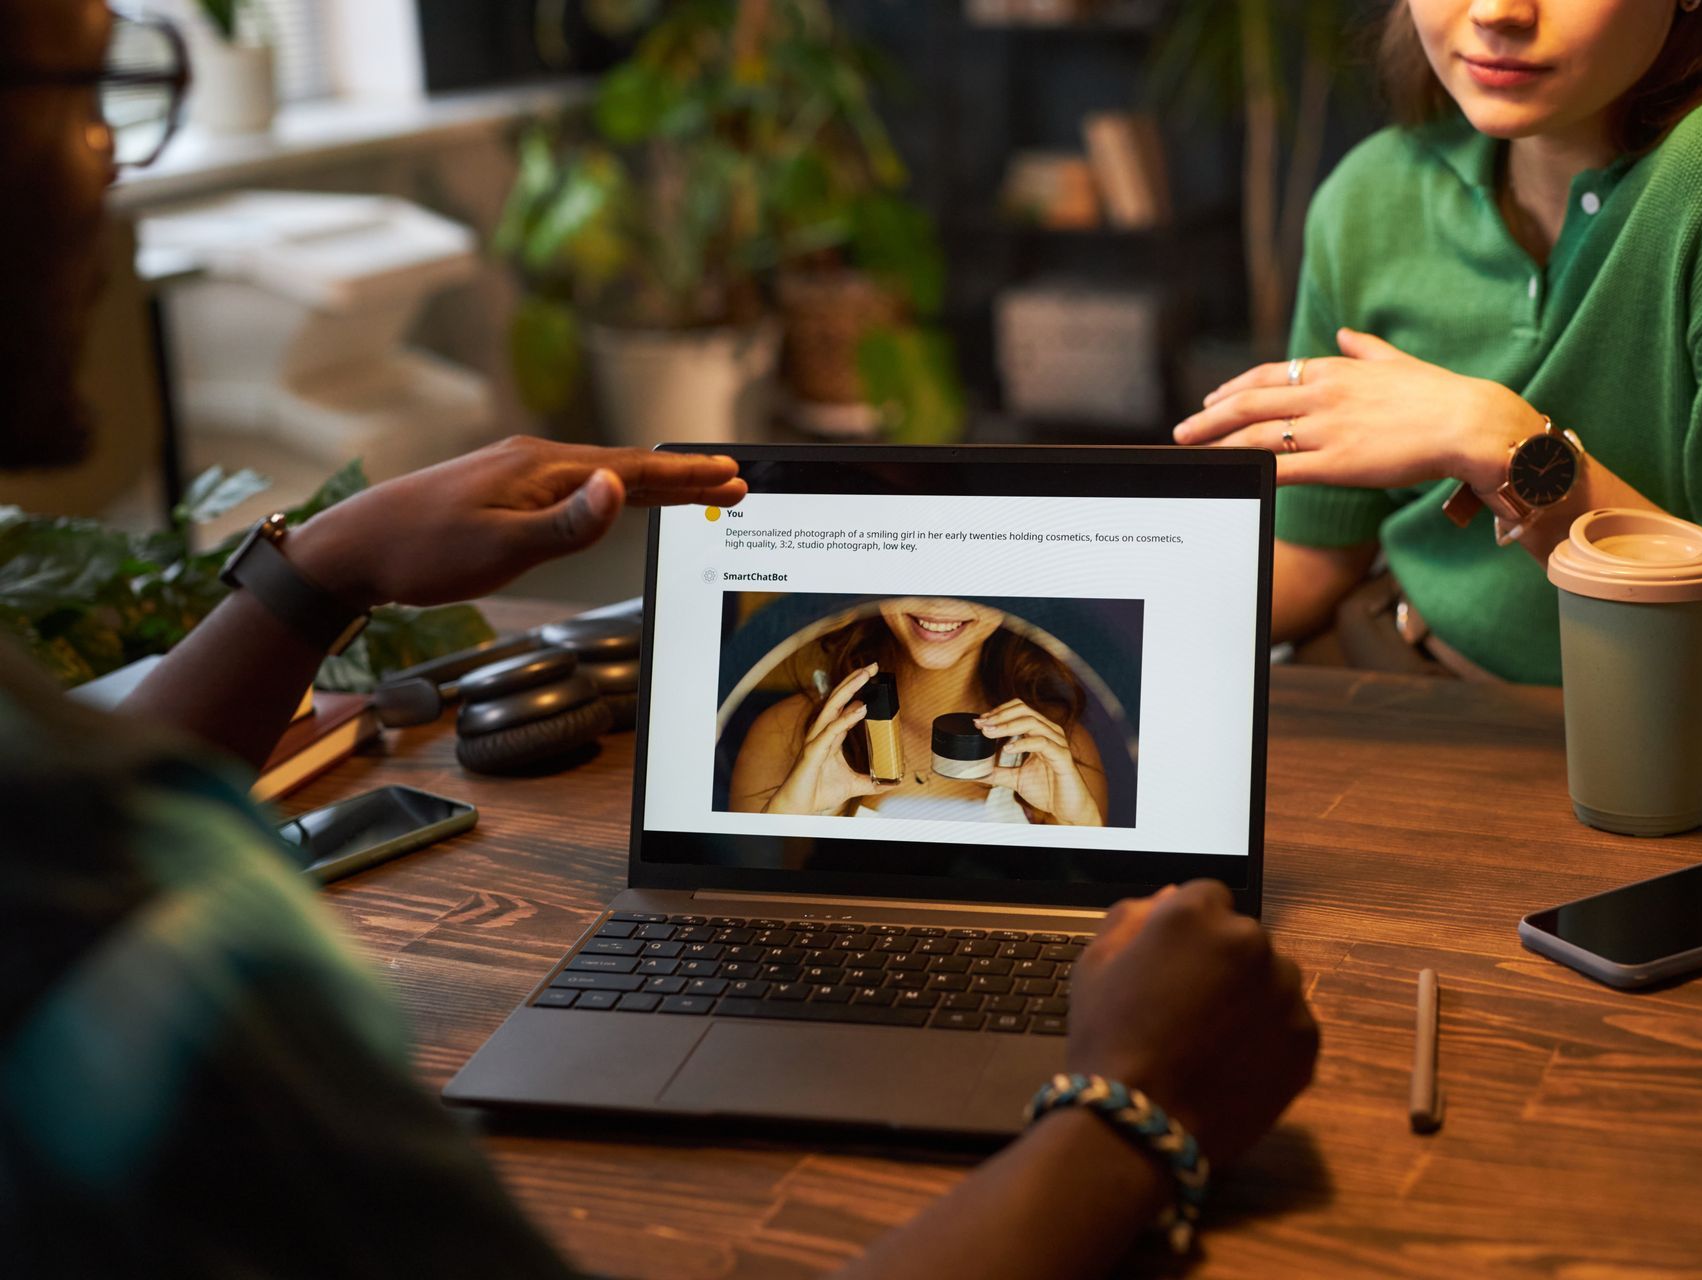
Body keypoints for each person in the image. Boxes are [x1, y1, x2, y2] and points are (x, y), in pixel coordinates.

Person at [0, 4, 1318, 1275]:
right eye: (83, 91)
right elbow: (82, 860)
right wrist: (1127, 1110)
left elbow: (97, 823)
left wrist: (317, 571)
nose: (109, 163)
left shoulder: (64, 834)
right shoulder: (106, 944)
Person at [1176, 0, 1702, 737]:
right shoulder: (1373, 193)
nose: (1500, 12)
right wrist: (1108, 605)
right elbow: (1318, 554)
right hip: (1396, 674)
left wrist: (1509, 452)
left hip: (1667, 752)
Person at [729, 597, 1109, 825]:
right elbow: (743, 922)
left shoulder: (1057, 749)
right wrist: (788, 822)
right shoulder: (784, 732)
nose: (941, 602)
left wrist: (1081, 826)